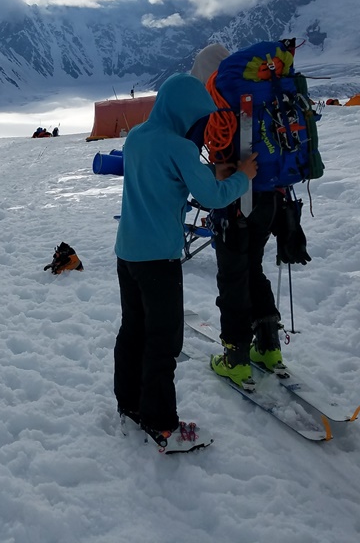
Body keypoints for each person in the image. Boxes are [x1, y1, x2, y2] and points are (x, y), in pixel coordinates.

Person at [113, 73, 257, 451]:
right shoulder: (180, 147)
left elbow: (164, 176)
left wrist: (210, 171)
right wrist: (242, 177)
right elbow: (211, 197)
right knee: (163, 341)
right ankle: (162, 425)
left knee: (134, 332)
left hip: (127, 253)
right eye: (200, 118)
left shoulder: (137, 136)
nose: (202, 126)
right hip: (158, 259)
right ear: (185, 113)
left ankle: (130, 403)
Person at [191, 43, 287, 391]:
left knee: (232, 277)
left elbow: (222, 167)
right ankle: (268, 347)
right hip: (270, 199)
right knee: (253, 268)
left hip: (235, 204)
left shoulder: (222, 107)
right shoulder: (259, 101)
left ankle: (235, 358)